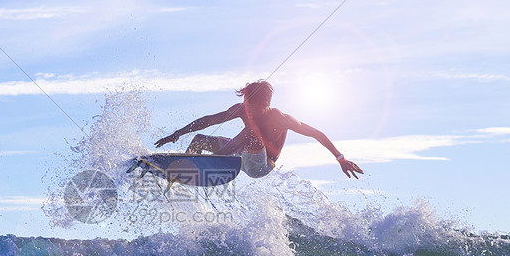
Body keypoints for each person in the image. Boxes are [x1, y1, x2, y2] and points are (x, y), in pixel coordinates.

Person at [154, 80, 363, 179]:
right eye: (247, 104)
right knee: (200, 138)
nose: (248, 110)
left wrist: (340, 158)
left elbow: (316, 133)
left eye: (252, 105)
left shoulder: (280, 118)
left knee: (251, 133)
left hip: (261, 166)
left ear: (265, 103)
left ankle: (211, 161)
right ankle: (187, 167)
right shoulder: (243, 109)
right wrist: (177, 134)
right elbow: (209, 120)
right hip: (239, 154)